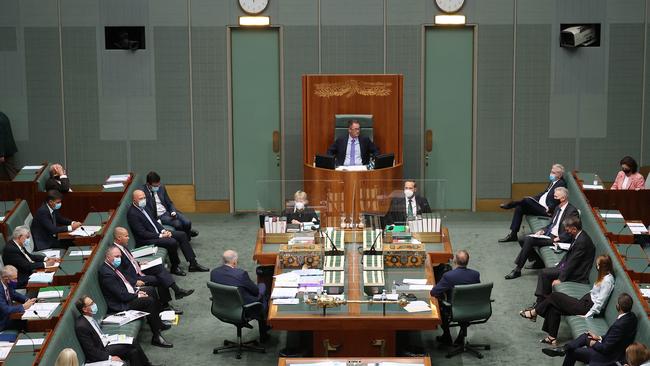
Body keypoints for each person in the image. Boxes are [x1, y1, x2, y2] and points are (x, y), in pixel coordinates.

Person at [519, 255, 615, 345]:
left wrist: (588, 315)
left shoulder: (607, 281)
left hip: (586, 307)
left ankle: (534, 312)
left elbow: (600, 302)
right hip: (584, 302)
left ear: (602, 266)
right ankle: (552, 338)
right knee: (554, 307)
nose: (596, 266)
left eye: (598, 265)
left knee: (554, 296)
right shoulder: (604, 276)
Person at [98, 246, 173, 348]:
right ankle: (156, 336)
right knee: (148, 301)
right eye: (116, 256)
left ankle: (158, 323)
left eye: (120, 256)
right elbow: (121, 295)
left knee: (150, 290)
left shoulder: (112, 267)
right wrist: (137, 295)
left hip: (127, 294)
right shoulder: (106, 274)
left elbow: (125, 286)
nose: (119, 259)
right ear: (107, 257)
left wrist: (136, 291)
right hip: (120, 304)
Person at [112, 226, 194, 313]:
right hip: (134, 277)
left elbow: (128, 261)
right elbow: (120, 273)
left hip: (137, 268)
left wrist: (138, 263)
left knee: (159, 267)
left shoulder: (122, 246)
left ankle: (177, 290)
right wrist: (134, 282)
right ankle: (165, 306)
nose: (128, 238)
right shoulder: (115, 252)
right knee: (159, 279)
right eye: (126, 236)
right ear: (119, 237)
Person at [542, 293, 638, 366]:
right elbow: (614, 338)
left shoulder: (620, 325)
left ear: (618, 306)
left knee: (573, 352)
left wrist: (594, 343)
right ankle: (563, 349)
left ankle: (565, 349)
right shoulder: (631, 317)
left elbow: (605, 349)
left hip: (607, 357)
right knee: (586, 336)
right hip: (610, 347)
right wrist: (599, 337)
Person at [127, 190, 208, 275]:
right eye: (141, 198)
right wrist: (162, 235)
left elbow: (154, 222)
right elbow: (142, 233)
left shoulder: (144, 207)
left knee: (182, 235)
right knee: (171, 242)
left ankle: (193, 264)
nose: (143, 200)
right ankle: (175, 267)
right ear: (134, 200)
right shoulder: (132, 214)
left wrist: (163, 230)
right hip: (146, 240)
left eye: (144, 198)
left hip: (157, 233)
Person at [505, 187, 578, 279]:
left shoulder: (572, 211)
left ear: (563, 198)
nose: (553, 199)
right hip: (549, 234)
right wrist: (543, 230)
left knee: (529, 239)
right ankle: (538, 262)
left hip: (557, 238)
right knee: (522, 238)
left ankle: (517, 269)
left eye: (555, 197)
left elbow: (572, 230)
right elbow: (552, 224)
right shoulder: (557, 207)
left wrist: (559, 238)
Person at [74, 295, 161, 366]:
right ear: (84, 309)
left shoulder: (89, 318)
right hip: (102, 349)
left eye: (93, 302)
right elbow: (91, 351)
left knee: (133, 351)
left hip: (106, 341)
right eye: (91, 304)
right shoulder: (81, 326)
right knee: (132, 342)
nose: (94, 304)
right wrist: (109, 358)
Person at [530, 216, 595, 307]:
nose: (566, 232)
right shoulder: (578, 235)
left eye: (568, 230)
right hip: (571, 267)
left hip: (578, 273)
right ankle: (543, 301)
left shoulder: (582, 242)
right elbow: (569, 255)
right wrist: (560, 265)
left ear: (574, 229)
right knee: (547, 273)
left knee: (544, 273)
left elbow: (573, 263)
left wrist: (560, 279)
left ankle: (540, 302)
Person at [210, 250, 270, 341]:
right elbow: (255, 291)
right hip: (243, 309)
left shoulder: (214, 273)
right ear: (234, 262)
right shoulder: (240, 274)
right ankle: (264, 330)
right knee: (262, 288)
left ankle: (264, 327)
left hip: (221, 307)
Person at [499, 164, 567, 242]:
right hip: (539, 205)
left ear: (560, 175)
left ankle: (511, 204)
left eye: (554, 173)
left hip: (547, 210)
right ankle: (513, 235)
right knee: (519, 208)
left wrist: (550, 208)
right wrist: (533, 199)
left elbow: (559, 198)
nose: (551, 174)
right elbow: (544, 193)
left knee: (526, 200)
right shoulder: (552, 182)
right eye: (551, 172)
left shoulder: (561, 183)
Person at [429, 250, 480, 345]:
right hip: (473, 308)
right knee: (466, 300)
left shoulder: (448, 276)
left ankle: (446, 335)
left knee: (439, 304)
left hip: (454, 310)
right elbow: (477, 291)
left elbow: (434, 292)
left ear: (455, 261)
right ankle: (461, 334)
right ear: (468, 261)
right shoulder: (475, 274)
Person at [143, 171, 198, 239]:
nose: (157, 187)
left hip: (168, 211)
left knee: (187, 222)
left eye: (158, 184)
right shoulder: (143, 192)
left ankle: (187, 234)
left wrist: (173, 211)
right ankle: (186, 238)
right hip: (160, 216)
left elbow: (169, 202)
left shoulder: (161, 187)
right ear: (148, 184)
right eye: (155, 186)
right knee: (178, 224)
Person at [0, 265, 36, 331]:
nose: (16, 281)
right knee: (29, 323)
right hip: (2, 322)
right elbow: (6, 310)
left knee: (31, 321)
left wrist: (28, 300)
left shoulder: (6, 284)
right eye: (14, 279)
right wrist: (23, 306)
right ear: (6, 279)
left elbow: (15, 294)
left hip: (9, 317)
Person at [0, 111, 18, 181]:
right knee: (11, 171)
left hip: (4, 152)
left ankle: (19, 189)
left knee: (10, 173)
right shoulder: (3, 115)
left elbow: (1, 137)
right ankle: (20, 189)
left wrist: (1, 154)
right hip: (8, 150)